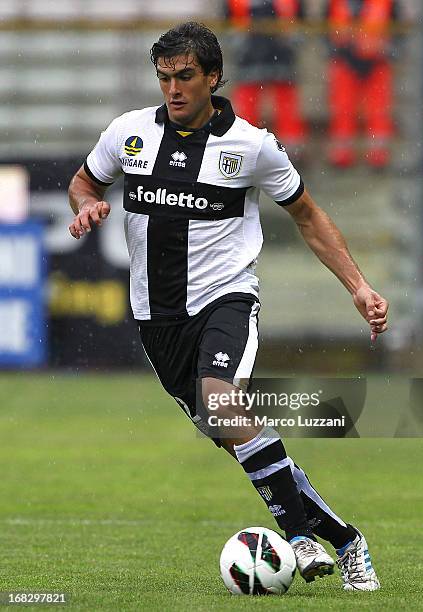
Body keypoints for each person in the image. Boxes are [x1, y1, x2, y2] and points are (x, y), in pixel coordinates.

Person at [68, 21, 388, 590]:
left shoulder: (252, 145)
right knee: (240, 439)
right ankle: (346, 541)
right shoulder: (129, 133)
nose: (173, 88)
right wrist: (87, 206)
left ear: (213, 76)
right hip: (156, 319)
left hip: (225, 301)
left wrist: (359, 287)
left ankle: (298, 540)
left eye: (185, 76)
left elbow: (309, 216)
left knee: (222, 405)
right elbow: (84, 183)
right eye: (165, 77)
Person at [223, 0, 308, 155]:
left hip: (281, 54)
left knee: (286, 103)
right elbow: (227, 21)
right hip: (249, 55)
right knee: (247, 103)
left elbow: (302, 21)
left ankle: (292, 150)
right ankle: (244, 148)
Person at [325, 0, 401, 168]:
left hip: (377, 60)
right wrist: (334, 50)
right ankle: (342, 153)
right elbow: (326, 26)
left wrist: (388, 49)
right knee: (343, 107)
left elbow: (398, 28)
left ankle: (378, 154)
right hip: (344, 60)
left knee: (379, 109)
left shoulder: (386, 3)